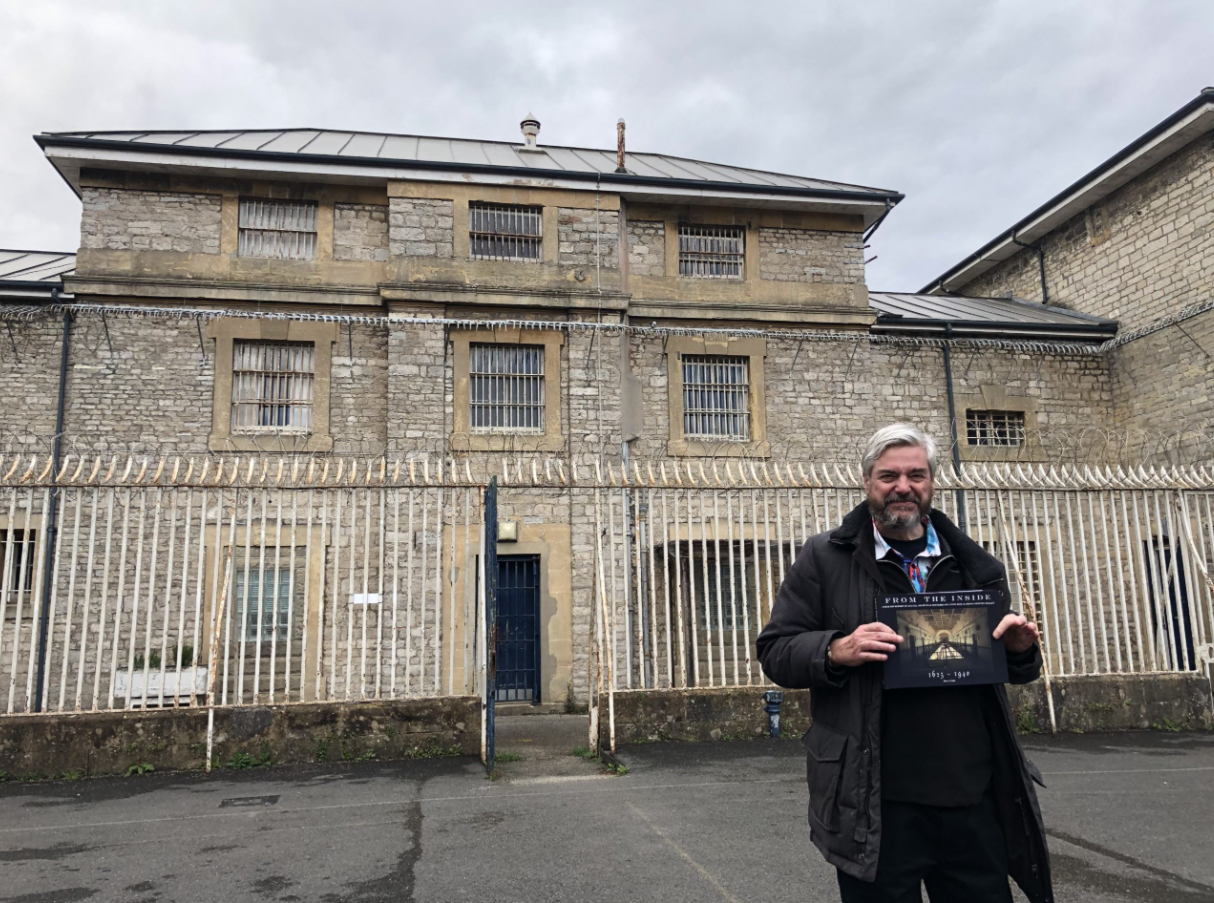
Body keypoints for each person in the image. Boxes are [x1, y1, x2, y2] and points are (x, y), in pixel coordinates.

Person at [756, 424, 1053, 903]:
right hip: (875, 801)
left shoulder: (975, 564)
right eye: (888, 475)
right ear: (867, 481)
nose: (903, 487)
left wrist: (1020, 651)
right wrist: (834, 649)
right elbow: (775, 650)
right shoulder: (825, 559)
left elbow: (1008, 670)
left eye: (916, 475)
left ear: (931, 481)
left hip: (971, 797)